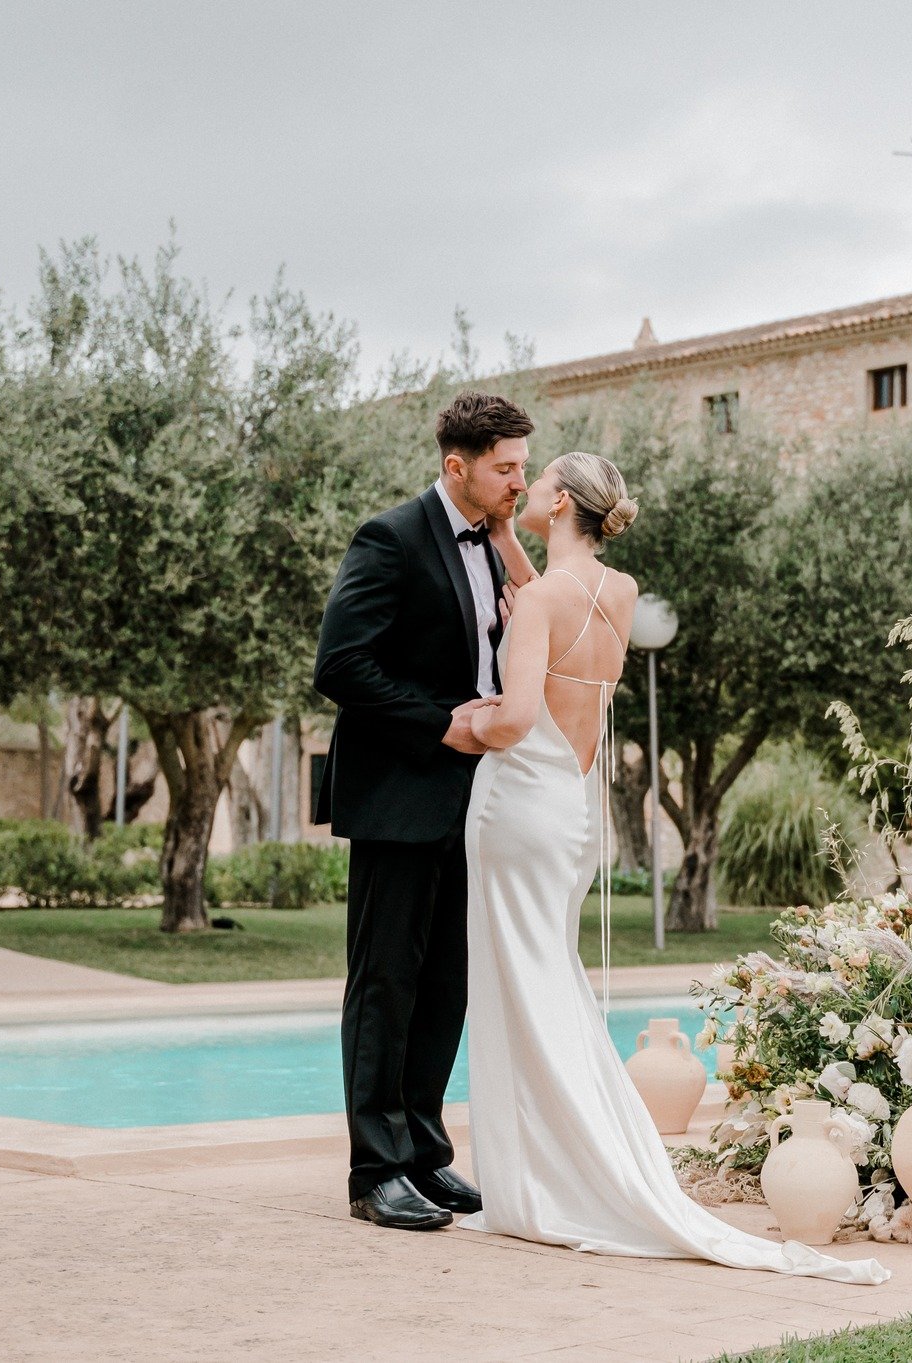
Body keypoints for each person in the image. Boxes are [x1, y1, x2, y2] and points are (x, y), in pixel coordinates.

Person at [457, 450, 888, 1285]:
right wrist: (513, 539)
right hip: (572, 810)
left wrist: (453, 724)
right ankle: (566, 1165)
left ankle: (548, 1178)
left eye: (538, 480)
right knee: (547, 979)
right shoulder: (616, 595)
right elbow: (555, 597)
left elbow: (513, 718)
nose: (524, 487)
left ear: (562, 502)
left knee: (518, 986)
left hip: (515, 804)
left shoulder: (540, 600)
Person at [312, 390, 537, 1231]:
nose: (518, 481)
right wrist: (440, 722)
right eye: (505, 468)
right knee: (385, 984)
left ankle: (426, 1153)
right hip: (399, 794)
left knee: (445, 984)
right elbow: (342, 664)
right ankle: (375, 1171)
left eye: (522, 466)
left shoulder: (494, 544)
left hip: (471, 804)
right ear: (458, 466)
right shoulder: (389, 538)